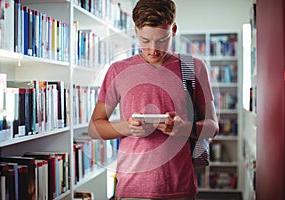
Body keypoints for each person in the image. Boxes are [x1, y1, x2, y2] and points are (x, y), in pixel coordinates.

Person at [88, 0, 219, 199]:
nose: (153, 50)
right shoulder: (118, 70)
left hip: (179, 187)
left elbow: (212, 127)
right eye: (145, 40)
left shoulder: (193, 68)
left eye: (161, 40)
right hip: (131, 188)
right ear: (136, 31)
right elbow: (94, 128)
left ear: (173, 30)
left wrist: (183, 127)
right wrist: (127, 128)